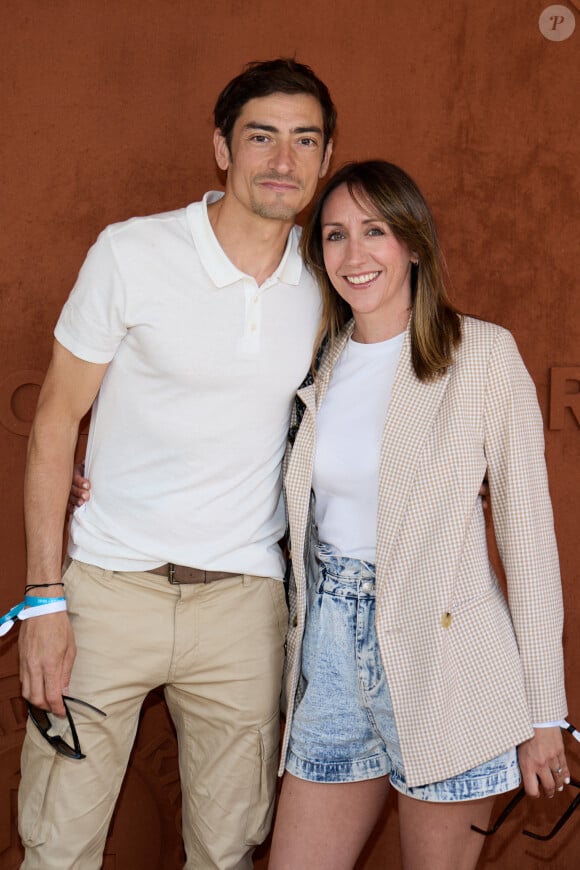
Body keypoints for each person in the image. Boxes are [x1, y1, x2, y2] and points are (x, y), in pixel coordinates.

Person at [17, 58, 334, 870]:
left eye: (305, 141)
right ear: (222, 149)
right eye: (261, 137)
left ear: (326, 160)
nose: (283, 160)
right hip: (107, 595)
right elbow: (55, 420)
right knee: (58, 846)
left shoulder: (330, 280)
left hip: (243, 606)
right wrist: (43, 601)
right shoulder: (132, 253)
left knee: (227, 853)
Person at [267, 160, 569, 870]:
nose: (354, 254)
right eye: (335, 236)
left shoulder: (482, 354)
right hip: (330, 659)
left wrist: (543, 712)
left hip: (448, 660)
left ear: (411, 242)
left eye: (374, 230)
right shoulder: (315, 361)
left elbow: (527, 540)